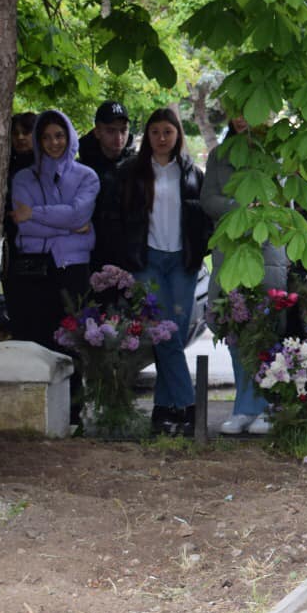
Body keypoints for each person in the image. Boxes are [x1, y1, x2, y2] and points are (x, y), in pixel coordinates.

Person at [120, 108, 208, 436]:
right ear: (147, 135)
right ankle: (188, 406)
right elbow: (123, 218)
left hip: (182, 262)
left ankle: (162, 409)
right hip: (149, 261)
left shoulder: (192, 173)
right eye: (155, 132)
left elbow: (203, 220)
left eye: (167, 132)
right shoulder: (133, 172)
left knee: (174, 336)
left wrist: (199, 251)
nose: (161, 138)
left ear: (178, 134)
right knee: (163, 332)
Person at [8, 110, 99, 420]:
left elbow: (79, 214)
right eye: (46, 137)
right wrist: (69, 225)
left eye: (59, 135)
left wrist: (35, 213)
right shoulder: (23, 178)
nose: (53, 142)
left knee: (73, 341)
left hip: (73, 269)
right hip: (35, 270)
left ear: (69, 136)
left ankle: (72, 413)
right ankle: (39, 414)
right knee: (38, 339)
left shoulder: (87, 176)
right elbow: (24, 225)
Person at [203, 112, 287, 436]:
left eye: (249, 111)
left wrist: (262, 210)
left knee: (266, 328)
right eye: (236, 112)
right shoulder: (219, 155)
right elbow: (208, 199)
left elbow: (287, 199)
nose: (242, 119)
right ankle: (243, 408)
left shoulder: (277, 152)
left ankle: (267, 407)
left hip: (269, 250)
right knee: (236, 328)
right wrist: (240, 210)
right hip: (231, 250)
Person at [81, 100, 136, 271]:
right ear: (97, 131)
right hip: (91, 256)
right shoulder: (81, 169)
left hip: (132, 257)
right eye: (111, 131)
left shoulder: (139, 166)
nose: (119, 138)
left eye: (123, 130)